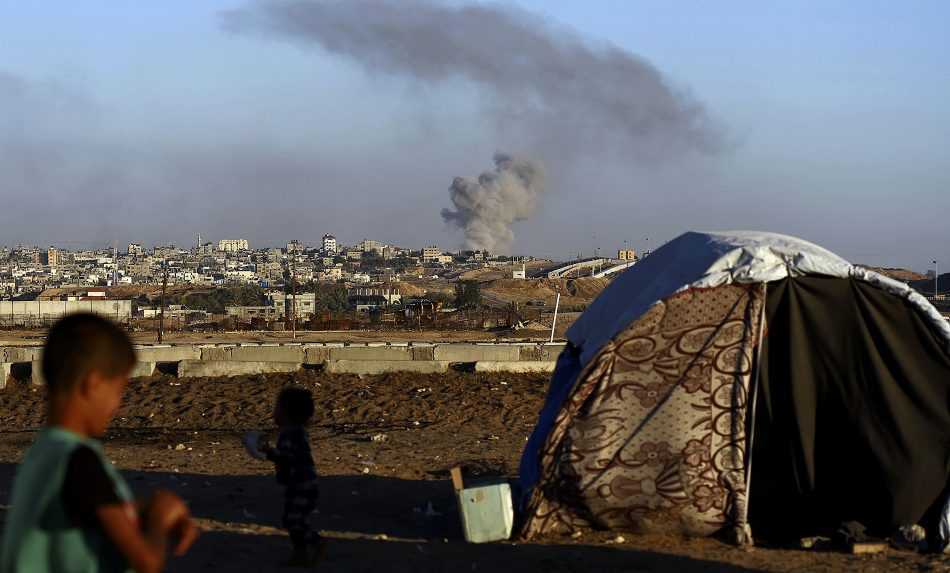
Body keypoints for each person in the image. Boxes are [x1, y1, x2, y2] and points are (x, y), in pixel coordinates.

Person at [0, 313, 198, 573]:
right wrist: (161, 515)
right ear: (93, 384)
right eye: (117, 390)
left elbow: (84, 508)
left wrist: (143, 508)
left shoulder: (44, 451)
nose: (117, 404)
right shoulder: (79, 460)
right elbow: (147, 562)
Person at [260, 386, 323, 567]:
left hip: (300, 485)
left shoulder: (289, 435)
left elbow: (286, 458)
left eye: (277, 408)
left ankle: (316, 543)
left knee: (295, 521)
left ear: (286, 413)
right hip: (302, 484)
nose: (274, 413)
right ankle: (300, 554)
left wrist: (269, 452)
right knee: (293, 520)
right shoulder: (297, 432)